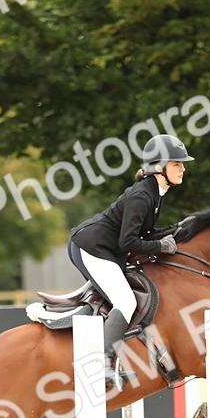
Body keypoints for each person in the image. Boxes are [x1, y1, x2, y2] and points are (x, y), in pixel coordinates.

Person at [69, 134, 192, 384]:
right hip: (92, 246)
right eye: (177, 164)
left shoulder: (156, 191)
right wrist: (161, 246)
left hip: (107, 249)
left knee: (121, 298)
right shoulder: (142, 195)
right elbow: (129, 242)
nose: (183, 168)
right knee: (125, 301)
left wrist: (179, 229)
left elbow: (145, 234)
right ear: (159, 167)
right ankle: (99, 366)